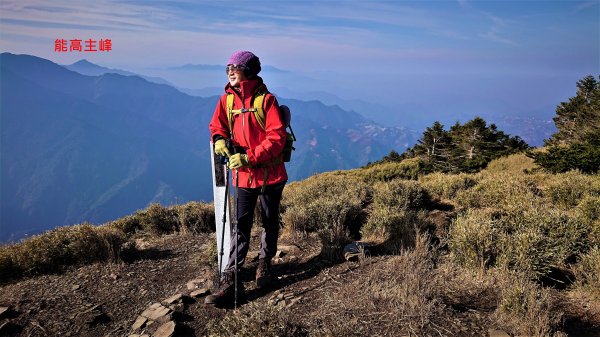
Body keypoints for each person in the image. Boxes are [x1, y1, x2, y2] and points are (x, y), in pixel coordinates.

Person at [205, 51, 288, 306]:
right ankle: (232, 279)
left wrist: (249, 158)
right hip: (242, 176)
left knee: (269, 221)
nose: (229, 71)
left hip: (269, 176)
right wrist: (218, 140)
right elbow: (216, 126)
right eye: (227, 66)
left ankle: (265, 264)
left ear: (249, 71)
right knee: (240, 226)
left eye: (235, 67)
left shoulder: (267, 101)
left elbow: (277, 139)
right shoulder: (227, 100)